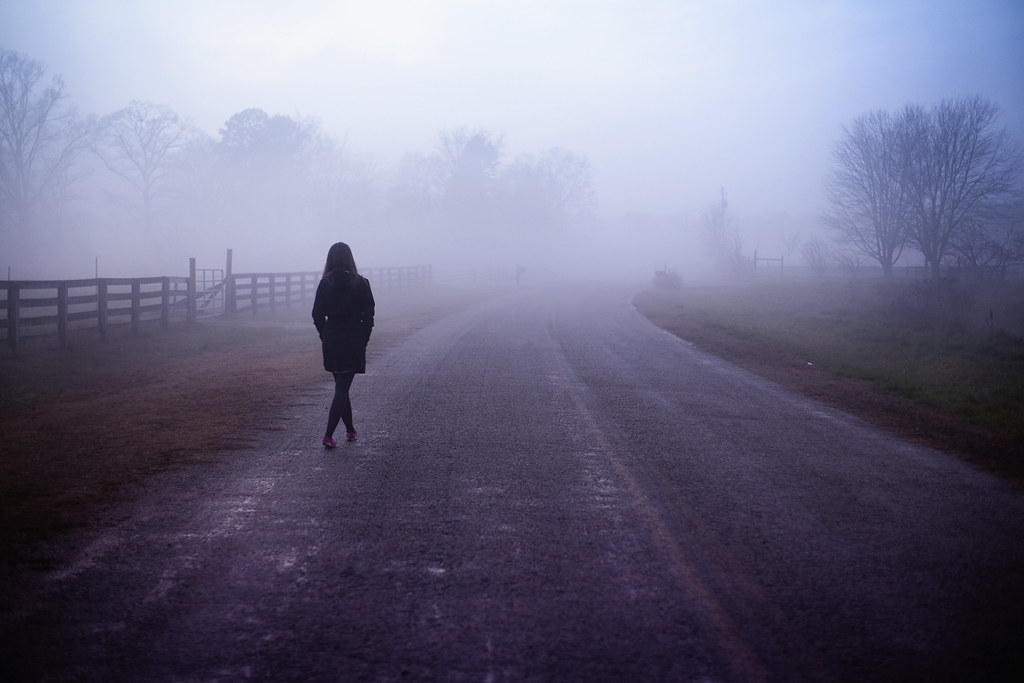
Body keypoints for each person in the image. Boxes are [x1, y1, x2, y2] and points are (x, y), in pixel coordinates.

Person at [312, 242, 375, 448]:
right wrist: (363, 338)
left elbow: (317, 315)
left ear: (329, 259)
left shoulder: (324, 284)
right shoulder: (362, 284)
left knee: (341, 385)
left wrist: (325, 335)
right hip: (353, 337)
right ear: (350, 258)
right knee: (342, 387)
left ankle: (350, 430)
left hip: (332, 338)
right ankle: (328, 435)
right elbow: (369, 316)